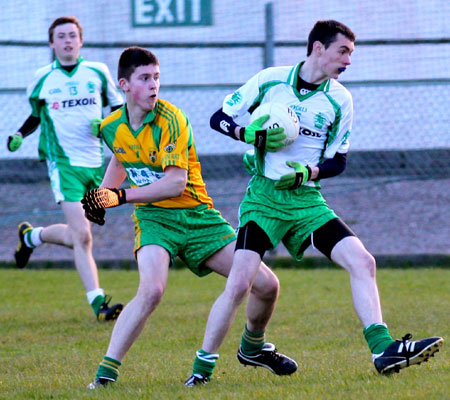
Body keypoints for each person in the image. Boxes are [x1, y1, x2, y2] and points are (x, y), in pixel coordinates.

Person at [189, 19, 444, 378]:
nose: (348, 61)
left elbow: (338, 160)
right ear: (318, 48)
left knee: (363, 261)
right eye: (343, 51)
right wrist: (248, 133)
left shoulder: (340, 99)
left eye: (351, 54)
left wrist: (308, 173)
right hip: (264, 200)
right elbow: (219, 118)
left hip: (307, 201)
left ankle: (383, 349)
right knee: (241, 283)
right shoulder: (270, 80)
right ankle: (204, 369)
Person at [82, 46, 297, 389]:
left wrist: (118, 196)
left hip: (198, 218)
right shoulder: (111, 127)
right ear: (124, 84)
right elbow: (121, 158)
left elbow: (174, 183)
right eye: (144, 79)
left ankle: (254, 348)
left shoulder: (172, 119)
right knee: (151, 291)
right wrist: (100, 199)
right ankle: (105, 375)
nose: (154, 85)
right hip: (155, 219)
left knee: (267, 286)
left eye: (157, 78)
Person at [8, 16, 124, 321]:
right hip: (62, 164)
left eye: (72, 35)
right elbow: (35, 116)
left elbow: (118, 111)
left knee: (79, 235)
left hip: (96, 165)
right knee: (83, 236)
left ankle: (32, 237)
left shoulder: (97, 73)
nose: (67, 41)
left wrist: (108, 126)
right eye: (61, 36)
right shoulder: (42, 78)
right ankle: (99, 304)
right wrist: (20, 134)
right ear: (52, 43)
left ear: (81, 41)